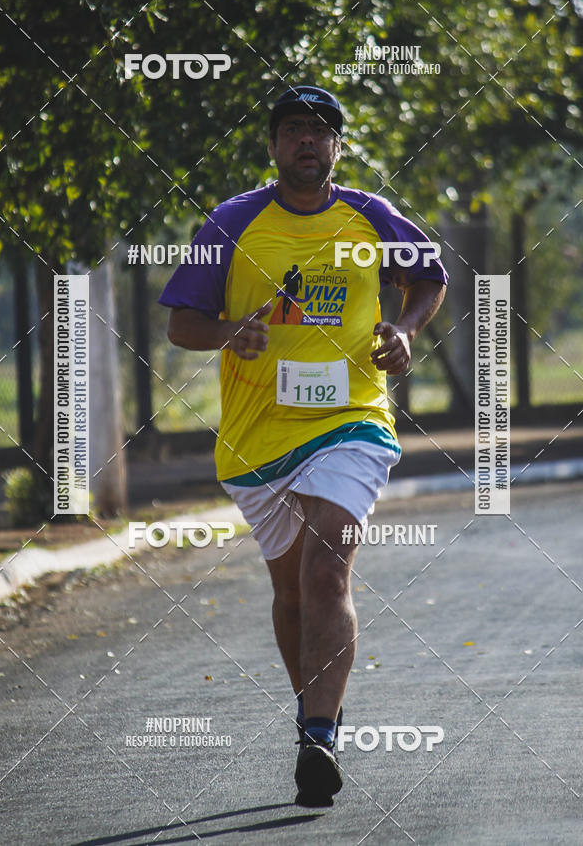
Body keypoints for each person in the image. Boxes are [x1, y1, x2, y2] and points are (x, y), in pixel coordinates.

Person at [159, 85, 447, 807]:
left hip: (352, 421)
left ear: (339, 148)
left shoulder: (371, 215)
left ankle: (319, 734)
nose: (308, 142)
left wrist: (407, 328)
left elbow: (430, 275)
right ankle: (313, 714)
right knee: (289, 590)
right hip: (258, 437)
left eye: (321, 132)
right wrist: (232, 333)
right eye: (293, 131)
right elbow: (181, 324)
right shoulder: (233, 222)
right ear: (273, 147)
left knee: (327, 572)